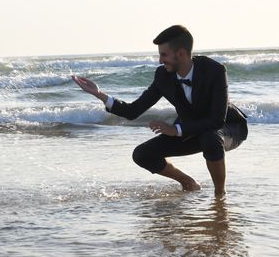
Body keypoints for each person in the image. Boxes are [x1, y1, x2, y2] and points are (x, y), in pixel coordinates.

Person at [72, 25, 247, 197]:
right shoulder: (163, 76)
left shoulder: (214, 70)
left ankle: (220, 195)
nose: (160, 60)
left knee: (210, 137)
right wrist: (99, 94)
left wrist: (176, 130)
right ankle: (188, 182)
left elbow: (216, 120)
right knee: (142, 154)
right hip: (191, 129)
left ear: (181, 53)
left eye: (163, 54)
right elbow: (133, 111)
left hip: (229, 128)